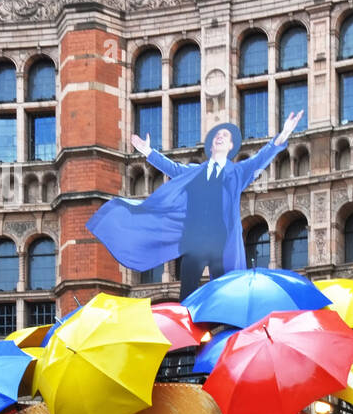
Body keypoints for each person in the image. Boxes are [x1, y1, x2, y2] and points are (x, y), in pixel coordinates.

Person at [87, 112, 304, 300]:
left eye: (225, 136)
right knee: (188, 292)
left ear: (230, 146)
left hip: (222, 241)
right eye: (217, 135)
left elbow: (261, 159)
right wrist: (149, 153)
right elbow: (172, 168)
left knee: (225, 290)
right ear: (211, 146)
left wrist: (282, 136)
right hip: (196, 239)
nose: (220, 137)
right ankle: (192, 339)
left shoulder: (237, 172)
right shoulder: (194, 171)